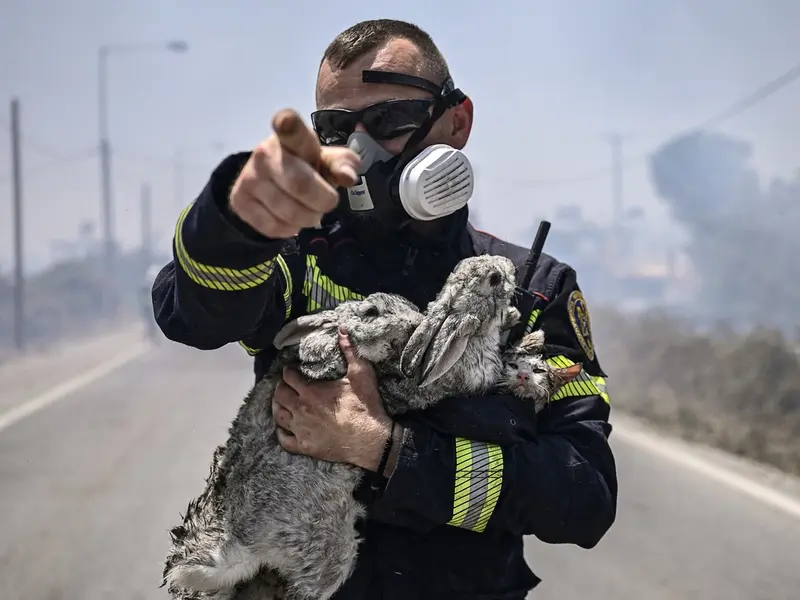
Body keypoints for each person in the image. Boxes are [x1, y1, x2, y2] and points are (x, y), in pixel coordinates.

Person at [152, 18, 617, 600]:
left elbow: (584, 497)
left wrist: (386, 449)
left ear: (458, 122)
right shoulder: (295, 256)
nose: (360, 150)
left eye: (389, 121)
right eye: (336, 128)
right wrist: (232, 225)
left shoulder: (524, 290)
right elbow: (190, 317)